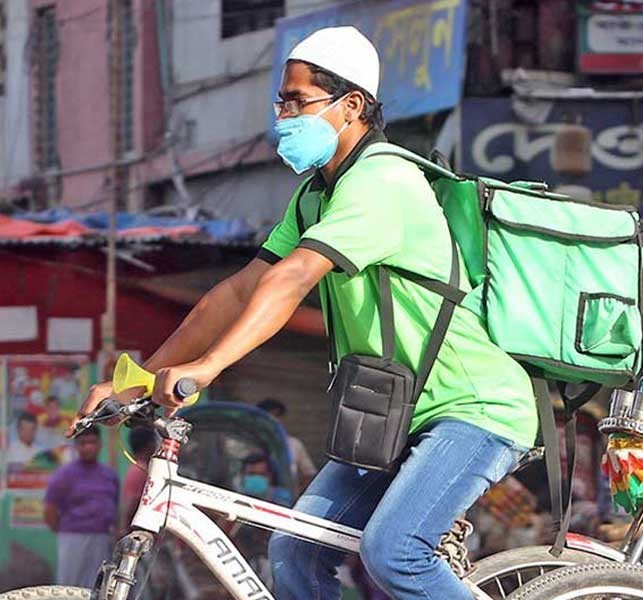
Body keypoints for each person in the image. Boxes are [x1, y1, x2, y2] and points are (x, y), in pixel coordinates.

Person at [73, 26, 536, 600]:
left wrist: (210, 367)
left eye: (298, 101)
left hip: (476, 408)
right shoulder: (316, 194)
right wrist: (140, 378)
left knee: (395, 554)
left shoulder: (383, 180)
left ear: (352, 106)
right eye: (281, 101)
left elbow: (292, 277)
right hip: (396, 415)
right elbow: (240, 291)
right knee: (293, 550)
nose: (283, 115)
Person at [44, 426, 119, 588]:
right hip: (72, 538)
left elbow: (115, 505)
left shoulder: (109, 475)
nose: (87, 447)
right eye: (82, 443)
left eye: (91, 442)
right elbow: (49, 510)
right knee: (69, 587)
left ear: (100, 444)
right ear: (76, 446)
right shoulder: (64, 475)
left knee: (97, 586)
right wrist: (65, 530)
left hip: (101, 538)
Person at [257, 398, 317, 493]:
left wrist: (294, 495)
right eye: (268, 415)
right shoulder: (248, 443)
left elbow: (309, 475)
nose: (273, 420)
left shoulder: (294, 445)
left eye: (277, 415)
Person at [121, 428, 158, 530]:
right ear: (149, 445)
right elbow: (132, 502)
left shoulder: (140, 468)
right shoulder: (140, 470)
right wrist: (124, 528)